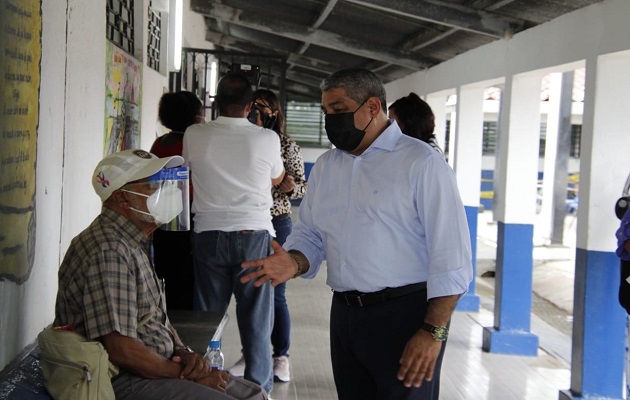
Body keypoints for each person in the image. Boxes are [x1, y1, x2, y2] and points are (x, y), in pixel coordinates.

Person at [241, 68, 473, 400]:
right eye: (326, 112)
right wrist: (293, 262)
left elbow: (452, 258)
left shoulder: (421, 164)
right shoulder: (326, 167)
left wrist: (432, 332)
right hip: (345, 316)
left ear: (373, 107)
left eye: (338, 109)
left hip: (405, 317)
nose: (331, 120)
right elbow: (310, 235)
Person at [53, 149, 268, 400]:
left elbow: (155, 318)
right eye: (153, 185)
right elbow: (122, 351)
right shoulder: (109, 249)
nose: (164, 192)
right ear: (122, 198)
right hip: (122, 379)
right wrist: (185, 374)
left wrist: (185, 353)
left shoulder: (131, 240)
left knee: (255, 395)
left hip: (155, 369)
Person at [183, 74, 285, 395]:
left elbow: (188, 170)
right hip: (253, 235)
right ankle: (260, 392)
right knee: (256, 322)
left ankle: (206, 387)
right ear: (251, 105)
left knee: (208, 322)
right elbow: (277, 178)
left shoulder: (194, 133)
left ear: (214, 100)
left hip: (208, 234)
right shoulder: (267, 138)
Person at [229, 89, 307, 382]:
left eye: (262, 110)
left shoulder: (286, 145)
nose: (256, 116)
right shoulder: (240, 141)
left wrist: (289, 187)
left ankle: (281, 356)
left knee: (276, 294)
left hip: (278, 222)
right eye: (253, 109)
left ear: (274, 113)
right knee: (251, 293)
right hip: (248, 223)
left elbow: (302, 187)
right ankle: (251, 354)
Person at [150, 91, 204, 310]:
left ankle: (168, 314)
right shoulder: (197, 142)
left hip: (164, 215)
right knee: (189, 274)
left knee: (166, 270)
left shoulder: (159, 143)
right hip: (192, 215)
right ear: (194, 115)